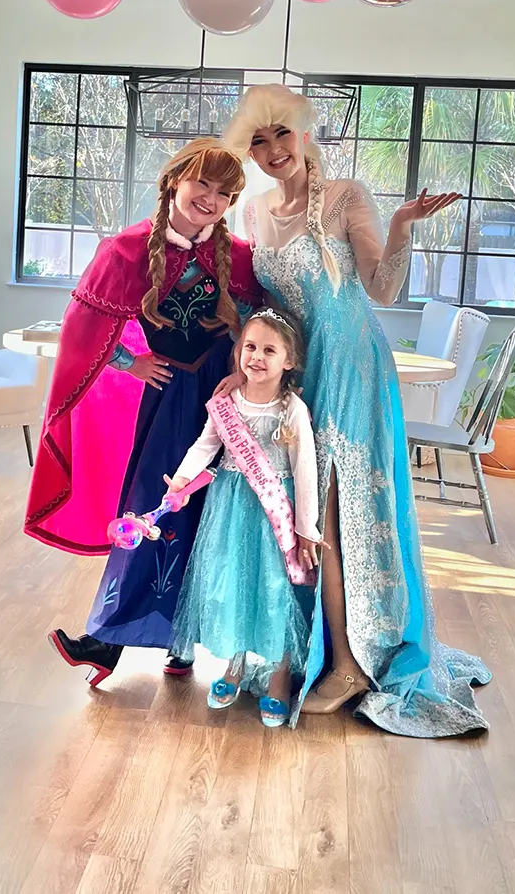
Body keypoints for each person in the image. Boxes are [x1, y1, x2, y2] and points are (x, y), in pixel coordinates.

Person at [222, 84, 491, 737]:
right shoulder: (254, 212)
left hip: (351, 365)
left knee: (338, 515)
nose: (272, 149)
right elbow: (266, 304)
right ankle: (308, 650)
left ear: (304, 135)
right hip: (299, 370)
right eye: (258, 140)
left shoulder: (346, 196)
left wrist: (400, 227)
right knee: (304, 516)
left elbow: (381, 286)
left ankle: (352, 662)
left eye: (281, 134)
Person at [25, 138, 262, 688]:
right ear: (175, 180)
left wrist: (241, 370)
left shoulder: (240, 256)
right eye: (203, 183)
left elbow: (262, 321)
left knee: (211, 514)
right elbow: (83, 328)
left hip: (222, 398)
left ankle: (177, 642)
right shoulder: (124, 250)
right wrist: (131, 361)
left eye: (225, 192)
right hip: (167, 401)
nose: (211, 198)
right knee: (153, 509)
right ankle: (108, 641)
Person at [166, 307, 324, 728]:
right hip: (231, 507)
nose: (256, 356)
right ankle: (234, 666)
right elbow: (206, 445)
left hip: (276, 513)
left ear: (288, 361)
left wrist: (306, 529)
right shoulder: (226, 402)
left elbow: (305, 469)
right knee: (234, 585)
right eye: (250, 346)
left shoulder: (292, 408)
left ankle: (278, 677)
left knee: (276, 591)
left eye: (269, 350)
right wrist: (180, 481)